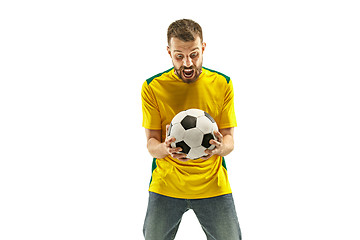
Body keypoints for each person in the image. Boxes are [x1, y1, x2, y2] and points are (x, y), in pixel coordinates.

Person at [141, 19, 242, 240]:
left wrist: (219, 148)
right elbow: (151, 144)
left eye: (194, 54)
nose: (187, 63)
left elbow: (229, 140)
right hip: (167, 184)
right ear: (169, 52)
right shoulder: (153, 87)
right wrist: (165, 149)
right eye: (179, 56)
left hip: (212, 184)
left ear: (203, 48)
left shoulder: (222, 84)